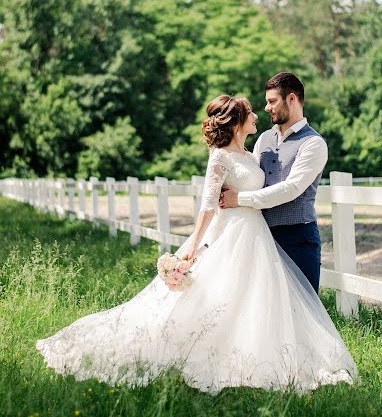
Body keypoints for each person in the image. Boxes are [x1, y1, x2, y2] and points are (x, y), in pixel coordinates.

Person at [36, 94, 357, 393]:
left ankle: (262, 361)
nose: (259, 113)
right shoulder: (222, 156)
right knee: (217, 298)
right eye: (251, 112)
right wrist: (193, 246)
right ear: (235, 122)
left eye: (267, 104)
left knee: (255, 300)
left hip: (257, 234)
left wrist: (240, 198)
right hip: (231, 231)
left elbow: (286, 187)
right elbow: (208, 204)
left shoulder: (253, 152)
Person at [220, 73, 326, 293]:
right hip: (261, 235)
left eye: (272, 101)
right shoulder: (264, 139)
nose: (266, 108)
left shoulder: (313, 143)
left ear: (292, 99)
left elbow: (291, 189)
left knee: (303, 313)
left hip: (297, 238)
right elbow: (252, 177)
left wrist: (238, 199)